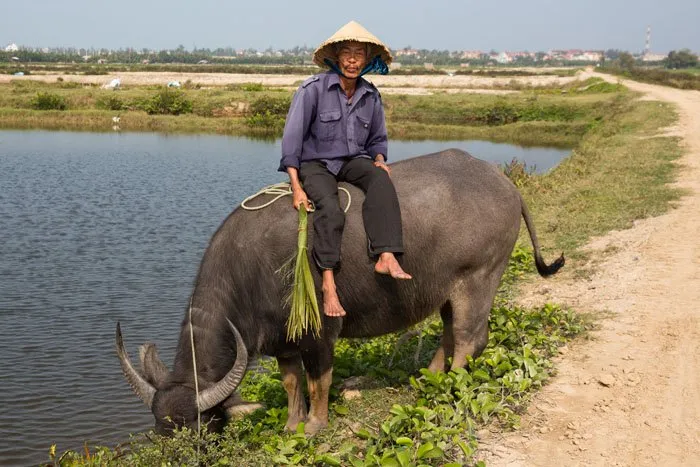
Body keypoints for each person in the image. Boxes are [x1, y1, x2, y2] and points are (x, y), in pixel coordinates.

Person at [278, 20, 412, 318]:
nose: (352, 59)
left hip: (353, 160)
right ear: (336, 57)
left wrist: (378, 159)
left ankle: (386, 255)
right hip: (316, 163)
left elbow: (377, 138)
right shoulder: (312, 90)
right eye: (347, 53)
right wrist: (296, 186)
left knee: (380, 179)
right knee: (331, 208)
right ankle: (328, 284)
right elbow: (292, 140)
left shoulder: (370, 95)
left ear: (367, 60)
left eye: (359, 54)